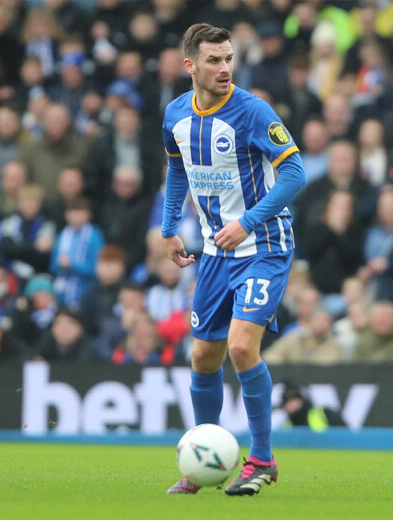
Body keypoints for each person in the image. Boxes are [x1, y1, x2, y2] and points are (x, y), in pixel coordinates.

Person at [162, 24, 307, 497]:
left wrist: (248, 221)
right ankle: (205, 460)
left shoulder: (252, 110)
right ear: (191, 67)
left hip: (263, 244)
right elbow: (177, 168)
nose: (225, 68)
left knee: (243, 348)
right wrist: (168, 227)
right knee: (204, 356)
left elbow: (294, 172)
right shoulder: (176, 115)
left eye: (228, 59)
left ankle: (262, 460)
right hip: (215, 252)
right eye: (214, 60)